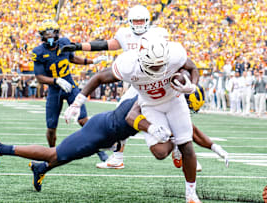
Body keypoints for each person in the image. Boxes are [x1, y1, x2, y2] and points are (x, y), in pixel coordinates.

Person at [64, 34, 201, 203]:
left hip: (173, 100)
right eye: (154, 65)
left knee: (186, 145)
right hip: (149, 103)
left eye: (161, 64)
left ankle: (191, 195)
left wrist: (192, 85)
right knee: (159, 152)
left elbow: (193, 67)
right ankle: (168, 142)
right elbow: (99, 77)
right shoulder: (128, 64)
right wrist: (77, 103)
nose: (158, 69)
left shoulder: (174, 53)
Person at [0, 96, 170, 192]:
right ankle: (0, 148)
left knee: (68, 155)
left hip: (106, 133)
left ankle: (41, 169)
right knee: (54, 153)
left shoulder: (152, 97)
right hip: (101, 131)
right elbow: (133, 120)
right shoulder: (149, 99)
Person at [59, 5, 168, 169]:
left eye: (141, 21)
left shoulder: (157, 34)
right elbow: (103, 45)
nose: (138, 24)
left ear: (147, 21)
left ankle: (180, 150)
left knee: (168, 113)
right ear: (130, 22)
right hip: (136, 82)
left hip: (155, 81)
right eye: (135, 21)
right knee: (122, 116)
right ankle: (118, 157)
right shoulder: (125, 34)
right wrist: (78, 46)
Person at [31, 19, 105, 147]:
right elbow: (39, 77)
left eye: (52, 33)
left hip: (70, 86)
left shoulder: (64, 43)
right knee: (51, 127)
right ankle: (53, 152)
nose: (50, 36)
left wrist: (92, 61)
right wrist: (56, 80)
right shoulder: (39, 52)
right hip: (54, 90)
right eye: (46, 34)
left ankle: (99, 150)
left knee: (83, 119)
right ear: (42, 36)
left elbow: (73, 58)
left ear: (57, 33)